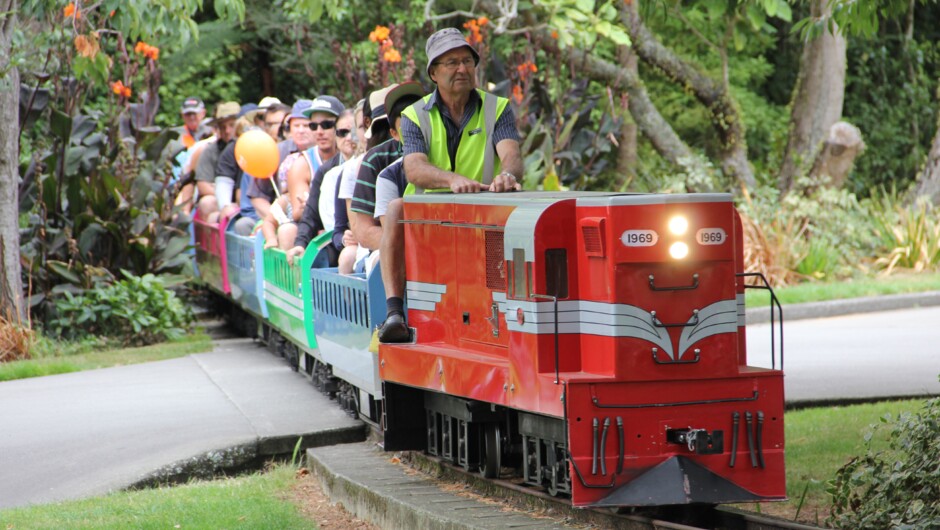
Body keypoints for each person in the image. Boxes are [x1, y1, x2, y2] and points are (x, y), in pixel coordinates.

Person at [377, 27, 525, 343]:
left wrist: (507, 175)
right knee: (394, 208)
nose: (462, 69)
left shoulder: (496, 108)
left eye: (467, 61)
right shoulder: (414, 115)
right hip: (429, 214)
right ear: (433, 73)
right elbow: (414, 169)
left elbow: (510, 154)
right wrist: (452, 180)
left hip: (483, 210)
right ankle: (394, 313)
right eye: (451, 63)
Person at [349, 83, 424, 273]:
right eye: (408, 122)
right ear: (394, 132)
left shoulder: (443, 150)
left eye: (421, 118)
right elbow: (364, 230)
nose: (416, 127)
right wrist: (409, 245)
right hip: (380, 248)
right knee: (385, 263)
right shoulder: (376, 160)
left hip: (435, 244)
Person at [194, 101, 241, 220]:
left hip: (246, 199)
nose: (227, 131)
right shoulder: (210, 151)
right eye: (222, 127)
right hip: (223, 200)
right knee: (207, 202)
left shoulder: (253, 145)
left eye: (232, 125)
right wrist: (225, 195)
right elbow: (203, 186)